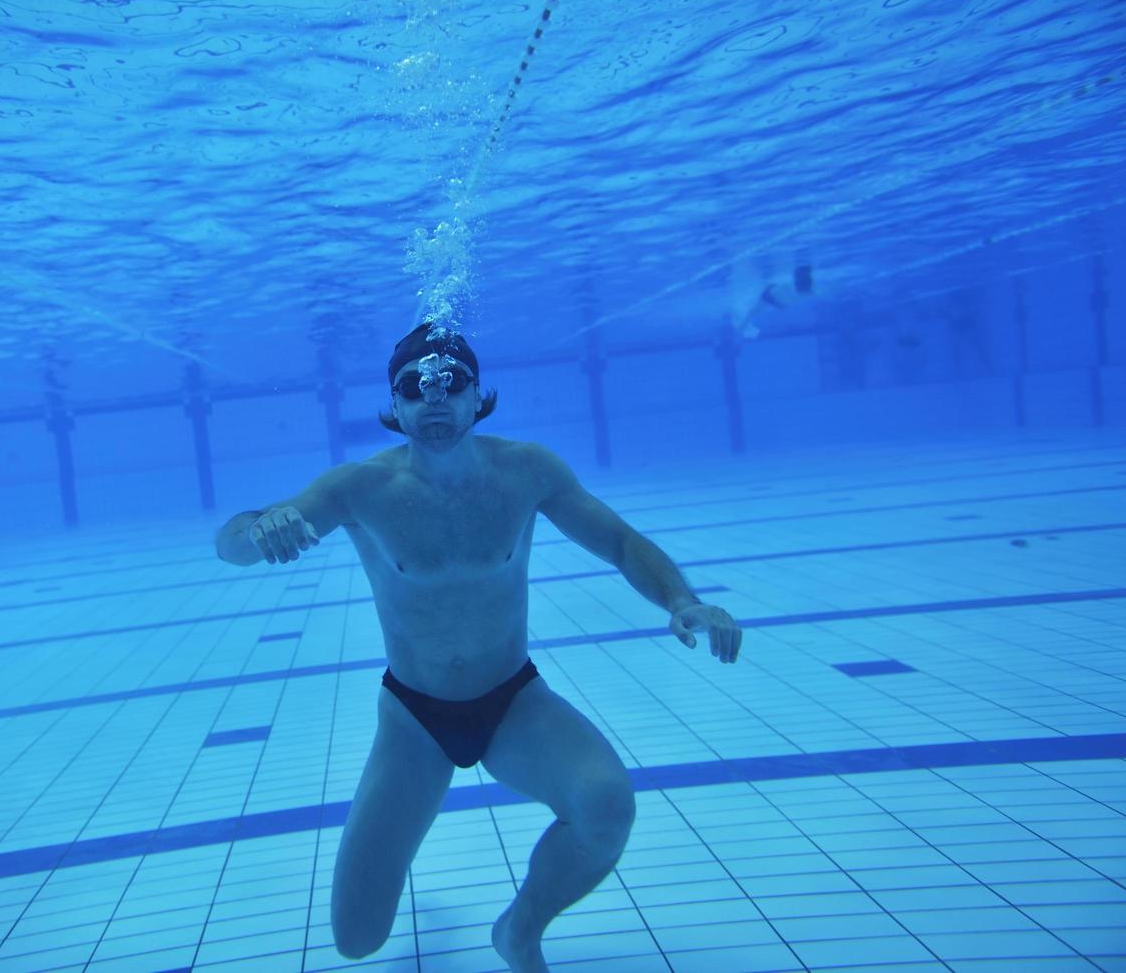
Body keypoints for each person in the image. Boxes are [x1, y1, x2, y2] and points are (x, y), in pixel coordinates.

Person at [214, 322, 743, 972]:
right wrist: (261, 527)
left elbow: (621, 542)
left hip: (513, 703)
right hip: (414, 719)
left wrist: (681, 600)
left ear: (476, 395)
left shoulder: (526, 472)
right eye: (414, 387)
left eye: (451, 383)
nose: (433, 400)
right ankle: (395, 861)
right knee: (357, 940)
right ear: (396, 404)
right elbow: (231, 543)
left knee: (606, 807)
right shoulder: (360, 490)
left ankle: (519, 930)